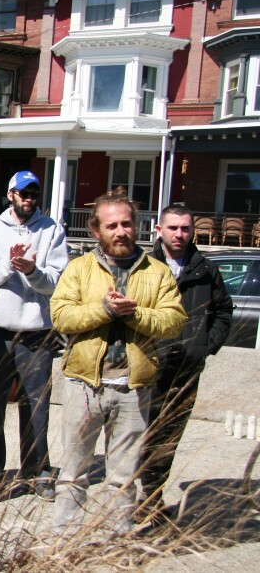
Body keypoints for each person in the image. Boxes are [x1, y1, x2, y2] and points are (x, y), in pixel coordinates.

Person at [50, 193, 186, 535]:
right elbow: (61, 315)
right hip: (84, 385)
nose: (121, 231)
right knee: (72, 472)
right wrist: (105, 310)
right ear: (96, 229)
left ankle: (116, 543)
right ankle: (63, 542)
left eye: (126, 223)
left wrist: (134, 313)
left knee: (123, 477)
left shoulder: (158, 272)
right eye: (111, 225)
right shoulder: (79, 268)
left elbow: (174, 321)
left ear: (137, 225)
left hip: (133, 388)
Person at [0, 171, 69, 503]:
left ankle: (38, 472)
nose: (29, 198)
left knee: (36, 407)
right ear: (10, 193)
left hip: (36, 333)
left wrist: (32, 271)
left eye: (34, 193)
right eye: (23, 193)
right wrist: (10, 265)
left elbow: (56, 283)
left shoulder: (52, 230)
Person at [138, 204, 232, 521]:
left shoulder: (205, 269)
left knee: (168, 439)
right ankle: (130, 498)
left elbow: (223, 312)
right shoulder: (142, 266)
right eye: (173, 227)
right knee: (139, 435)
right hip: (147, 368)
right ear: (159, 230)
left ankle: (151, 499)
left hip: (187, 372)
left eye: (185, 228)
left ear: (192, 231)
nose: (180, 234)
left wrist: (206, 346)